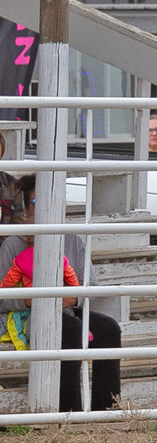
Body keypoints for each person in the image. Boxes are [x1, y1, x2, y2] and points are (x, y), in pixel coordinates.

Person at [0, 175, 122, 412]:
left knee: (108, 328)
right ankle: (68, 412)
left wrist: (74, 297)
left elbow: (92, 285)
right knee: (70, 330)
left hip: (69, 308)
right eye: (36, 203)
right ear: (25, 207)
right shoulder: (14, 244)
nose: (44, 210)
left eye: (51, 203)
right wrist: (28, 299)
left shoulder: (72, 239)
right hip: (25, 316)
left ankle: (106, 410)